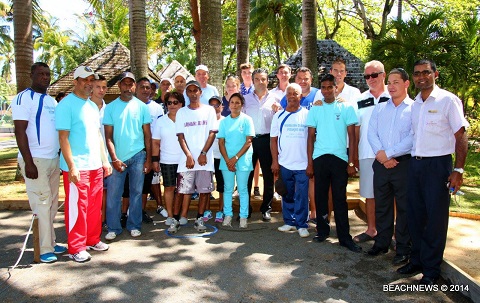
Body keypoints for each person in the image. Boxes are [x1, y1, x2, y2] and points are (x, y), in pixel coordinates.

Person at [397, 59, 469, 285]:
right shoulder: (416, 103)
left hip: (438, 166)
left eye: (426, 72)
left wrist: (458, 169)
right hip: (416, 165)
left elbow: (461, 135)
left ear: (435, 74)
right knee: (415, 215)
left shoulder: (448, 100)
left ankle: (431, 270)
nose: (421, 77)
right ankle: (416, 259)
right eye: (417, 73)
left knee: (435, 219)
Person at [55, 66, 112, 262]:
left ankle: (92, 239)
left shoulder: (91, 106)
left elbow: (97, 136)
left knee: (95, 206)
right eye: (85, 80)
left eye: (91, 80)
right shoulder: (65, 105)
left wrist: (105, 161)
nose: (89, 83)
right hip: (77, 167)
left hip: (95, 165)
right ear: (75, 81)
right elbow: (63, 138)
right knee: (78, 207)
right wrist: (71, 166)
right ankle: (76, 247)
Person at [12, 62, 66, 263]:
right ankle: (43, 250)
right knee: (42, 204)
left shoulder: (51, 101)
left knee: (52, 203)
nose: (45, 77)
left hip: (52, 159)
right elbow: (20, 131)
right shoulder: (23, 98)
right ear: (31, 75)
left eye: (48, 73)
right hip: (35, 160)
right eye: (41, 74)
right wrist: (28, 162)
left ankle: (51, 242)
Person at [306, 74, 361, 253]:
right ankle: (322, 231)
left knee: (339, 199)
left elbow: (352, 137)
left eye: (331, 87)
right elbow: (310, 137)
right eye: (324, 87)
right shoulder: (315, 109)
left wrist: (352, 162)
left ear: (336, 88)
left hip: (340, 159)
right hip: (320, 158)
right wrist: (310, 163)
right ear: (320, 89)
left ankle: (345, 237)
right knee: (321, 196)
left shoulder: (346, 107)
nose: (327, 90)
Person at [366, 68, 413, 265]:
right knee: (382, 206)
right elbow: (371, 133)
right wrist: (382, 156)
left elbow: (413, 137)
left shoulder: (414, 108)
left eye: (396, 82)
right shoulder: (380, 108)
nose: (391, 86)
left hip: (404, 165)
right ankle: (381, 242)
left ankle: (402, 249)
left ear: (406, 84)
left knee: (404, 208)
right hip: (381, 164)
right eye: (390, 82)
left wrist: (390, 154)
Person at [103, 72, 152, 240]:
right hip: (117, 158)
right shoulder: (110, 108)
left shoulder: (142, 107)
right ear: (119, 86)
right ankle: (113, 227)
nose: (128, 87)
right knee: (114, 194)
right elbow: (108, 136)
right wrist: (114, 159)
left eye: (131, 84)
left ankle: (134, 225)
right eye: (125, 84)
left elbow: (147, 135)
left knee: (136, 193)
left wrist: (149, 159)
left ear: (134, 87)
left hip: (138, 156)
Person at [168, 80, 217, 233]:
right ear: (186, 93)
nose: (193, 93)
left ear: (200, 92)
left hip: (205, 160)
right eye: (190, 91)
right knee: (181, 191)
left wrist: (203, 153)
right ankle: (175, 220)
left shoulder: (209, 110)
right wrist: (189, 155)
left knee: (204, 192)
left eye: (196, 90)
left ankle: (199, 219)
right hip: (186, 160)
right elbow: (180, 136)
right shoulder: (182, 112)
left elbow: (212, 133)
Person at [353, 60, 390, 243]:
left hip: (391, 155)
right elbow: (356, 129)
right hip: (366, 153)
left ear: (383, 75)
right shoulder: (360, 99)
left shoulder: (393, 96)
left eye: (374, 75)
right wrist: (354, 156)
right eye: (367, 76)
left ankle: (394, 233)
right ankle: (371, 229)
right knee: (369, 194)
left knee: (393, 195)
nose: (371, 79)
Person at [271, 83, 310, 238]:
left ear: (301, 96)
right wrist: (275, 161)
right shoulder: (278, 116)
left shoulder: (308, 115)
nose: (292, 97)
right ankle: (289, 221)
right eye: (289, 94)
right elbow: (273, 140)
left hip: (303, 163)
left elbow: (312, 140)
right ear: (285, 96)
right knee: (286, 193)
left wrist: (310, 163)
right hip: (284, 163)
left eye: (295, 94)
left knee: (301, 194)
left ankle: (302, 224)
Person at [243, 68, 277, 221]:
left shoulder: (275, 98)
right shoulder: (245, 99)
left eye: (263, 79)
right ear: (253, 80)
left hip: (267, 140)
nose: (260, 82)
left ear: (267, 81)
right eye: (257, 79)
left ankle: (266, 208)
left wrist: (278, 111)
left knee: (268, 176)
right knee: (247, 175)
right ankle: (246, 209)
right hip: (249, 140)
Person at [218, 93, 255, 228]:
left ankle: (243, 217)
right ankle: (228, 215)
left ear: (242, 105)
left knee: (242, 189)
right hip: (227, 161)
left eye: (237, 102)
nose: (234, 105)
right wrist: (228, 160)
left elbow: (248, 141)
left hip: (242, 160)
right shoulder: (224, 122)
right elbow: (221, 143)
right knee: (227, 189)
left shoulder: (247, 120)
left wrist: (236, 158)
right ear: (229, 104)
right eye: (232, 102)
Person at [152, 91, 185, 226]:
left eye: (175, 102)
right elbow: (155, 142)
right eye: (169, 103)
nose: (172, 105)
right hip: (166, 161)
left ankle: (181, 215)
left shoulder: (187, 120)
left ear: (181, 104)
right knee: (169, 188)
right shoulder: (160, 121)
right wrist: (155, 160)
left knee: (183, 189)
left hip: (184, 160)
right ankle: (170, 216)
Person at [135, 77, 165, 223]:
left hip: (150, 149)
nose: (146, 90)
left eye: (148, 88)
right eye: (143, 87)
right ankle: (127, 213)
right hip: (133, 149)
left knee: (146, 184)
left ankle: (140, 211)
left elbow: (159, 131)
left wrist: (155, 154)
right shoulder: (131, 105)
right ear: (136, 88)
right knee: (132, 185)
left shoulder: (157, 108)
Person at [89, 74, 109, 230]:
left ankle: (102, 220)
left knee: (106, 191)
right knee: (92, 194)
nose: (101, 90)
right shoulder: (85, 107)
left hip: (107, 157)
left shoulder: (109, 109)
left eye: (103, 87)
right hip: (89, 158)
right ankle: (93, 222)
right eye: (98, 87)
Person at [206, 96, 226, 222]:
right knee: (206, 186)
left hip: (221, 157)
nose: (214, 108)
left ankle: (221, 211)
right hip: (207, 157)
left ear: (222, 107)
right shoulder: (205, 121)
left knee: (222, 186)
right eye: (211, 105)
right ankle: (206, 210)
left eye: (217, 105)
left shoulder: (226, 121)